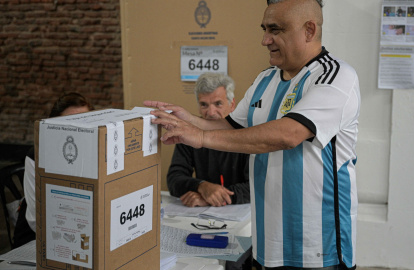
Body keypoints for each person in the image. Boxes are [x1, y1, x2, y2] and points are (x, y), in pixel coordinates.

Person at [145, 0, 360, 269]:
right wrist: (187, 120)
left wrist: (200, 137)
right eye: (264, 29)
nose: (265, 39)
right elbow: (231, 126)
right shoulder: (265, 79)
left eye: (275, 30)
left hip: (317, 250)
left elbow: (287, 135)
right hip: (266, 245)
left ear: (308, 30)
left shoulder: (335, 77)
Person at [12, 92, 94, 248]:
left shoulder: (93, 155)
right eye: (70, 123)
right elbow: (36, 220)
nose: (78, 130)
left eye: (85, 122)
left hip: (81, 235)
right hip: (37, 239)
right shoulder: (37, 156)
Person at [167, 72, 250, 207]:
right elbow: (174, 179)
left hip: (243, 213)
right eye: (204, 105)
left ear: (232, 104)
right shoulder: (190, 134)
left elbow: (255, 187)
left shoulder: (247, 134)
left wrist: (211, 198)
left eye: (218, 104)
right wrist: (201, 186)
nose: (211, 112)